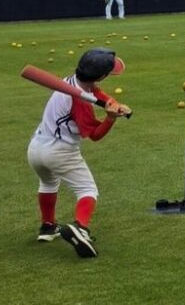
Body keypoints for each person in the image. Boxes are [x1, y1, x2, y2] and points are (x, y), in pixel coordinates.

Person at [28, 48, 129, 257]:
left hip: (36, 148)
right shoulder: (80, 102)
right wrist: (110, 119)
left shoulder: (72, 81)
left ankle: (48, 226)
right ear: (101, 76)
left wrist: (115, 104)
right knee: (87, 190)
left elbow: (95, 92)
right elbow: (95, 135)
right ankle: (80, 228)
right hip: (60, 151)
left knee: (48, 183)